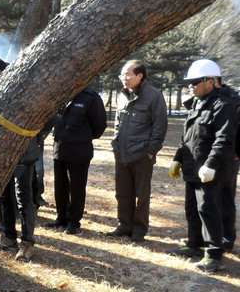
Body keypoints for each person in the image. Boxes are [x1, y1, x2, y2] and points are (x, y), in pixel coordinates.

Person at [170, 59, 237, 271]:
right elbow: (187, 137)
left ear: (212, 81)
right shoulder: (197, 103)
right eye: (189, 82)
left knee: (209, 209)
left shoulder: (223, 105)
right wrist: (178, 158)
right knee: (192, 208)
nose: (191, 85)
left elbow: (224, 139)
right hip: (193, 166)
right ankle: (195, 243)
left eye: (196, 81)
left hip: (210, 169)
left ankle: (213, 254)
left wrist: (211, 165)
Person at [0, 58, 40, 262]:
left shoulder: (28, 90)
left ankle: (27, 242)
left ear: (2, 73)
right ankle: (8, 237)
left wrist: (33, 139)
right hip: (3, 156)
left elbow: (50, 119)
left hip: (24, 155)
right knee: (5, 197)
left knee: (23, 198)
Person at [108, 60, 167, 242]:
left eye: (127, 75)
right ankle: (124, 225)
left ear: (140, 76)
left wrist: (151, 151)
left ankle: (139, 230)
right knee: (122, 192)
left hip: (142, 155)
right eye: (122, 75)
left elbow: (160, 126)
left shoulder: (153, 95)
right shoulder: (123, 95)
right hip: (122, 152)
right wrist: (116, 144)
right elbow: (118, 123)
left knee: (141, 194)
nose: (123, 79)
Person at [43, 88, 107, 234]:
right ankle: (61, 218)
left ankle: (73, 222)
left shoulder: (90, 98)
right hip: (60, 148)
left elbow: (99, 126)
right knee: (60, 186)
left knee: (76, 188)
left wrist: (82, 136)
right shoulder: (61, 94)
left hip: (79, 150)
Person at [215, 77, 240, 253]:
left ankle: (226, 238)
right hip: (211, 154)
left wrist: (238, 152)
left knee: (225, 197)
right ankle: (209, 236)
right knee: (209, 198)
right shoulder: (208, 98)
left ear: (214, 81)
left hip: (230, 156)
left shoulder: (234, 99)